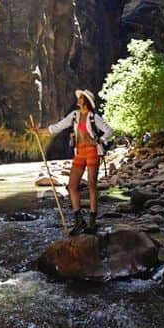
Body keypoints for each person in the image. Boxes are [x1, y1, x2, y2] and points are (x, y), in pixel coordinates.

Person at [37, 90, 114, 235]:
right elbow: (58, 127)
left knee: (91, 185)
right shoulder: (74, 116)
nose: (78, 100)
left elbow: (109, 131)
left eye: (80, 98)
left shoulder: (93, 117)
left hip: (92, 151)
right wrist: (39, 131)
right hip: (79, 153)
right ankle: (79, 220)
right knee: (72, 186)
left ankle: (92, 221)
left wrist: (100, 140)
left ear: (86, 101)